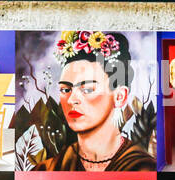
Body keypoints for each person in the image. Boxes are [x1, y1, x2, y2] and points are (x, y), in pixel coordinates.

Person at [42, 31, 154, 171]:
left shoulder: (142, 166)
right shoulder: (48, 168)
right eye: (65, 90)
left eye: (87, 89)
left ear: (119, 96)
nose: (71, 100)